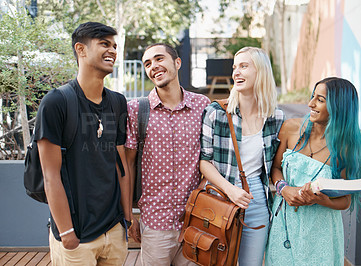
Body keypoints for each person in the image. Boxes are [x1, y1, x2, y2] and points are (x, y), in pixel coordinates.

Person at [36, 22, 131, 265]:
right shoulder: (56, 102)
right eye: (104, 44)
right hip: (76, 236)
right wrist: (67, 233)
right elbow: (50, 175)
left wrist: (126, 220)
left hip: (114, 231)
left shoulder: (118, 103)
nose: (112, 50)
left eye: (114, 46)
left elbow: (121, 164)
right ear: (81, 49)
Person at [125, 43, 210, 265]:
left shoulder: (202, 105)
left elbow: (210, 159)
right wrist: (129, 215)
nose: (154, 66)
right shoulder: (136, 109)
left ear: (177, 62)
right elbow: (128, 165)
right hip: (155, 223)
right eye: (148, 63)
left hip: (195, 222)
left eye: (159, 59)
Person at [200, 46, 284, 265]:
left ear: (261, 72)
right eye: (234, 67)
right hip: (220, 196)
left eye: (244, 66)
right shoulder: (216, 113)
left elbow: (277, 163)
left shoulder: (275, 118)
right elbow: (204, 162)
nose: (236, 72)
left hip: (256, 198)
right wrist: (230, 190)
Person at [265, 77, 361, 265]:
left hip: (322, 232)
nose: (310, 104)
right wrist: (284, 188)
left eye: (320, 100)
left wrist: (322, 199)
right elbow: (275, 168)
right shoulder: (290, 128)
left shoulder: (345, 148)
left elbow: (346, 201)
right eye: (313, 96)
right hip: (284, 227)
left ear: (338, 106)